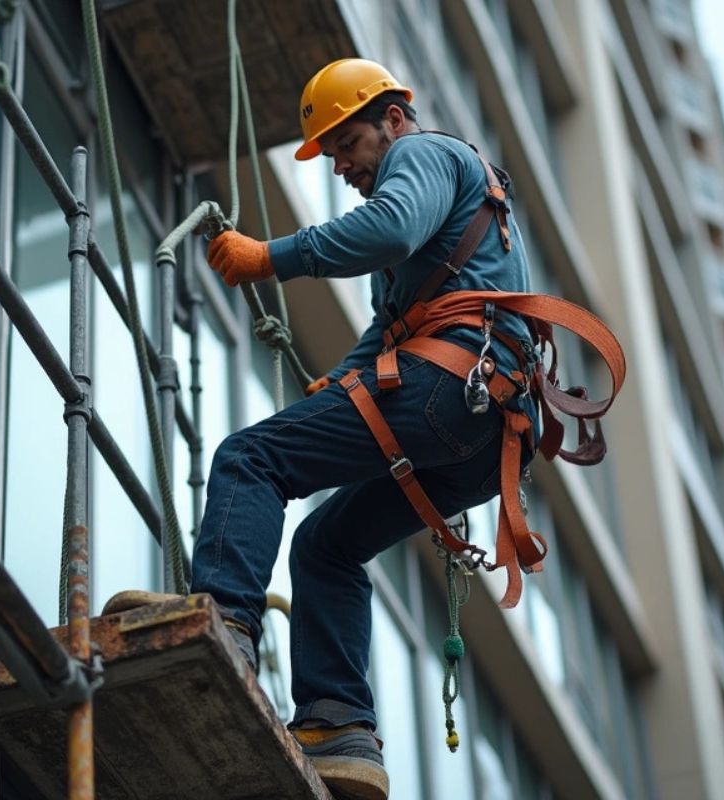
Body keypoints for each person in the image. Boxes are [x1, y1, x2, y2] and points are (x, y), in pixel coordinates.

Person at [191, 58, 541, 800]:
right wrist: (343, 380)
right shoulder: (446, 217)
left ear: (393, 119)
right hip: (485, 435)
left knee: (251, 459)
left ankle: (222, 626)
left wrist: (270, 257)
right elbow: (391, 327)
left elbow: (389, 230)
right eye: (333, 154)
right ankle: (339, 725)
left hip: (451, 388)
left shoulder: (423, 154)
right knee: (326, 547)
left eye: (347, 144)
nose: (341, 166)